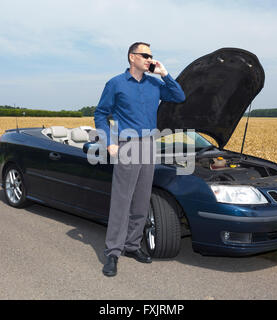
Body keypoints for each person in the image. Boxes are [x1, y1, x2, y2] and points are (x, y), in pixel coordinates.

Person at [94, 42, 185, 277]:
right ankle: (113, 252)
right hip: (128, 146)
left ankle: (132, 245)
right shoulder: (115, 84)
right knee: (122, 201)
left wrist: (165, 74)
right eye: (145, 55)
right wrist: (109, 142)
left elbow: (178, 95)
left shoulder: (155, 83)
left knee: (142, 200)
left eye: (151, 56)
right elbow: (101, 114)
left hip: (149, 145)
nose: (150, 59)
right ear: (132, 57)